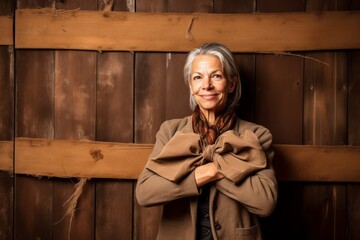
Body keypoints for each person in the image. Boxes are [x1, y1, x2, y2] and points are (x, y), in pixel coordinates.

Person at [136, 42, 277, 240]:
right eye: (198, 77)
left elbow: (265, 202)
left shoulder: (256, 134)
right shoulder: (170, 131)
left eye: (216, 76)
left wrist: (213, 168)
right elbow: (145, 193)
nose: (207, 85)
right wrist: (207, 172)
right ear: (191, 86)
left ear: (231, 84)